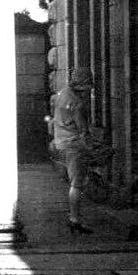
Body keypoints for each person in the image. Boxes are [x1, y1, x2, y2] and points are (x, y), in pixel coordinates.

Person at [50, 74, 94, 234]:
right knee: (77, 184)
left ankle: (75, 218)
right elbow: (83, 131)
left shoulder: (62, 94)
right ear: (83, 86)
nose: (90, 91)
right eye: (89, 86)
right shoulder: (77, 104)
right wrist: (91, 149)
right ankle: (75, 219)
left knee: (73, 182)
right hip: (74, 146)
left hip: (61, 143)